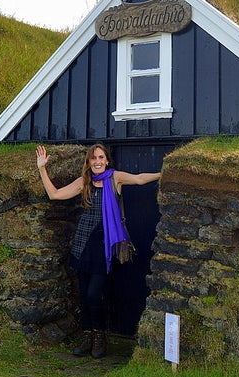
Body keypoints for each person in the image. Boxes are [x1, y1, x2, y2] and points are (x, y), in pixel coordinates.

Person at [36, 143, 161, 359]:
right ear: (89, 162)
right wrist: (42, 168)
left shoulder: (115, 178)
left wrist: (164, 172)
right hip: (83, 243)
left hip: (104, 246)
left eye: (101, 157)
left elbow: (140, 178)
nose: (97, 162)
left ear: (107, 160)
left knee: (95, 294)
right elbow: (54, 194)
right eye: (93, 158)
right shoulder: (84, 182)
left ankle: (99, 335)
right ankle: (87, 337)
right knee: (84, 295)